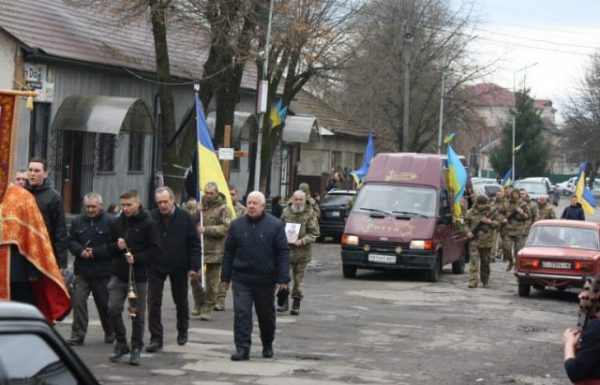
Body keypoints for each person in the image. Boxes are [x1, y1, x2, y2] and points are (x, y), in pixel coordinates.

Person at [221, 191, 290, 361]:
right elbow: (229, 251)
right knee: (242, 312)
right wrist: (225, 276)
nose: (251, 206)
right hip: (242, 278)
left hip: (265, 280)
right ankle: (242, 348)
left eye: (255, 203)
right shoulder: (237, 225)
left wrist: (283, 278)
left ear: (262, 206)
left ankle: (267, 343)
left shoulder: (275, 225)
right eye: (249, 203)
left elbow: (283, 252)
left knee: (265, 315)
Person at [1, 183, 71, 323]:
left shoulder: (22, 197)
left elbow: (34, 239)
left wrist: (33, 272)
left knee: (25, 315)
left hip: (17, 273)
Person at [107, 189, 161, 366]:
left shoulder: (149, 224)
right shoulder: (117, 222)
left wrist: (136, 258)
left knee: (135, 314)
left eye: (129, 205)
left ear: (138, 203)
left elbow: (155, 250)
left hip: (138, 276)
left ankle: (136, 347)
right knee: (113, 309)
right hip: (118, 274)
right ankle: (121, 342)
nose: (126, 208)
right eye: (123, 205)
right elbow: (108, 245)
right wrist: (117, 245)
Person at [147, 187, 201, 353]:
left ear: (172, 200)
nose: (163, 205)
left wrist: (194, 266)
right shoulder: (152, 217)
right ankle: (156, 337)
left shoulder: (184, 217)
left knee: (181, 300)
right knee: (153, 302)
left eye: (165, 202)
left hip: (179, 264)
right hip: (156, 265)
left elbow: (194, 243)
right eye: (160, 202)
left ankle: (182, 329)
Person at [66, 192, 115, 346]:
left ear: (101, 206)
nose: (90, 209)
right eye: (87, 206)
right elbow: (71, 240)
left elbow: (113, 246)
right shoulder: (78, 221)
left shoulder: (110, 222)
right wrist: (80, 250)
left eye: (93, 206)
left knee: (104, 304)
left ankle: (110, 331)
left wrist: (95, 252)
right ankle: (78, 334)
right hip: (82, 270)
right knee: (79, 302)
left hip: (102, 271)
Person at [191, 182, 232, 321]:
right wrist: (197, 212)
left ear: (216, 193)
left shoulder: (223, 209)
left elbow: (226, 228)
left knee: (211, 282)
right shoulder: (200, 205)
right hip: (199, 249)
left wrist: (207, 229)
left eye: (211, 193)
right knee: (194, 276)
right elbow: (189, 221)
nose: (208, 196)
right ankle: (198, 301)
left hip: (215, 250)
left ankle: (208, 307)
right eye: (206, 193)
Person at [279, 190, 320, 314]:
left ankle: (296, 303)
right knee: (283, 277)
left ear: (304, 200)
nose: (298, 202)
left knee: (298, 279)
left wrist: (303, 240)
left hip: (302, 253)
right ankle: (283, 302)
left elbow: (315, 233)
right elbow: (279, 227)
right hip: (286, 252)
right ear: (292, 199)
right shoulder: (286, 212)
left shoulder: (309, 213)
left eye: (300, 200)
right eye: (296, 199)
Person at [24, 157, 68, 271]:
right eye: (30, 170)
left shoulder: (53, 197)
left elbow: (60, 230)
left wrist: (61, 262)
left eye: (37, 171)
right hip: (22, 252)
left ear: (45, 174)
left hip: (43, 252)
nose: (32, 174)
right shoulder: (21, 194)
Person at [562, 275, 600, 384]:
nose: (580, 296)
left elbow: (576, 372)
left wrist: (569, 344)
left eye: (586, 291)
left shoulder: (597, 329)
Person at [465, 195, 500, 288]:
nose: (481, 206)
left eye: (483, 204)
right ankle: (473, 281)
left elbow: (498, 224)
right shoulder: (470, 212)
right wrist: (468, 232)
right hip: (474, 241)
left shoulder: (492, 212)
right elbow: (465, 224)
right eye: (479, 204)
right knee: (474, 262)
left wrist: (490, 222)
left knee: (485, 263)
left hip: (487, 241)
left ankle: (485, 281)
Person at [498, 189, 530, 272]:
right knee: (506, 248)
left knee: (518, 251)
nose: (515, 196)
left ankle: (517, 266)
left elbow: (528, 217)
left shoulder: (523, 204)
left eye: (516, 194)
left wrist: (522, 213)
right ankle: (511, 261)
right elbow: (500, 213)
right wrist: (503, 219)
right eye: (513, 194)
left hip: (519, 230)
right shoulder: (506, 203)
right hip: (508, 229)